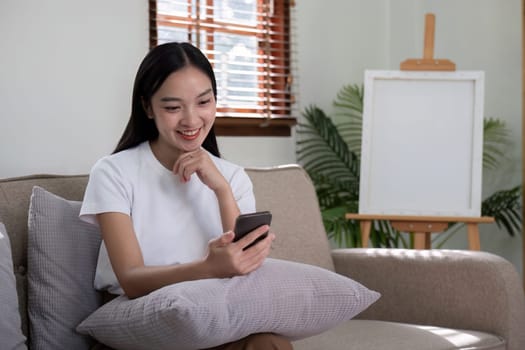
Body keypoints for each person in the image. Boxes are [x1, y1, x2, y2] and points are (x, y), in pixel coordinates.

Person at [79, 42, 293, 350]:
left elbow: (244, 266)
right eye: (172, 107)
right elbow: (131, 278)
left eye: (203, 102)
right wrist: (208, 268)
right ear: (147, 107)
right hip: (137, 318)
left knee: (270, 344)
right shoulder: (113, 172)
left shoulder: (232, 177)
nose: (192, 120)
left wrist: (221, 190)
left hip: (211, 315)